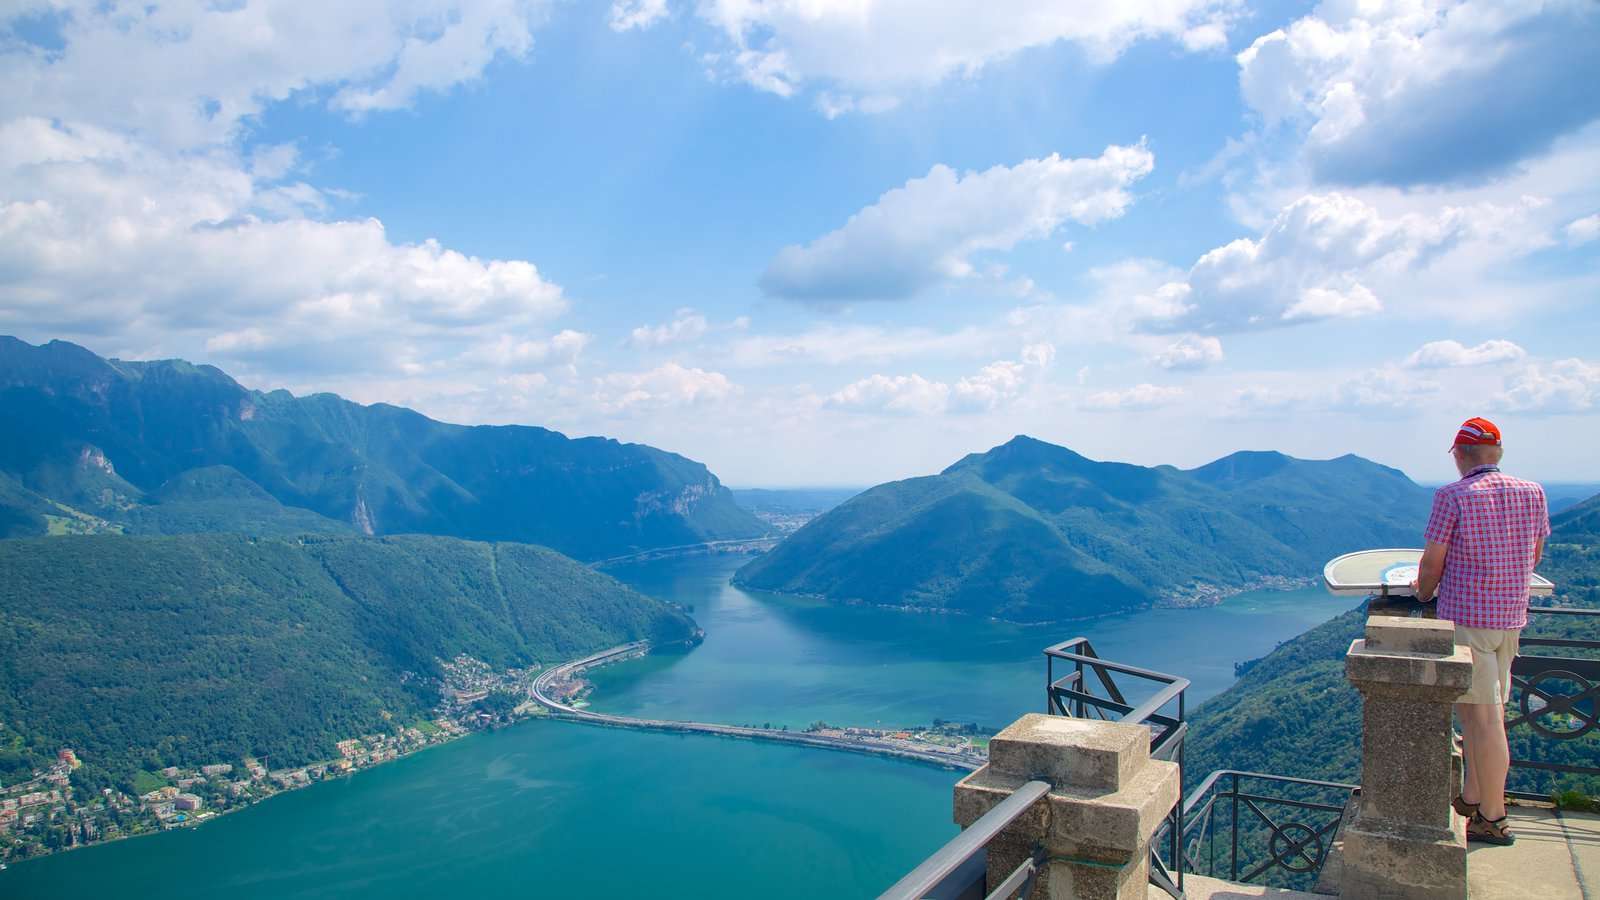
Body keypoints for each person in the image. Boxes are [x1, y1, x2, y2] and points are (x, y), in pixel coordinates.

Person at [1413, 416, 1549, 846]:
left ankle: (1494, 816)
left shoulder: (1451, 496)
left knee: (1485, 719)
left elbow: (1433, 562)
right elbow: (1535, 554)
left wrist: (1422, 594)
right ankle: (1472, 797)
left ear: (1459, 456)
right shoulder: (1533, 493)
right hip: (1509, 620)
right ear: (1499, 454)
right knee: (1479, 715)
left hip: (1467, 620)